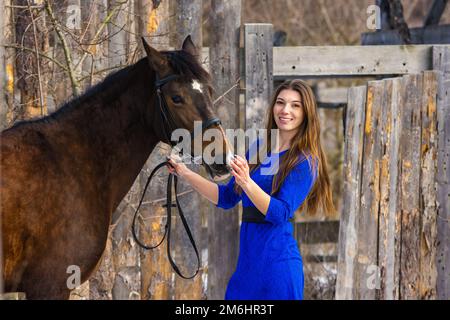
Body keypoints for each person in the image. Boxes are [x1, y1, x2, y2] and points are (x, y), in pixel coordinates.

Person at [167, 79, 335, 300]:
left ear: (306, 113)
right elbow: (226, 197)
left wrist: (247, 181)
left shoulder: (304, 161)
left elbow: (280, 213)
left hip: (277, 268)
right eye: (281, 102)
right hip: (247, 269)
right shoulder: (260, 148)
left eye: (295, 105)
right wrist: (184, 173)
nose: (285, 110)